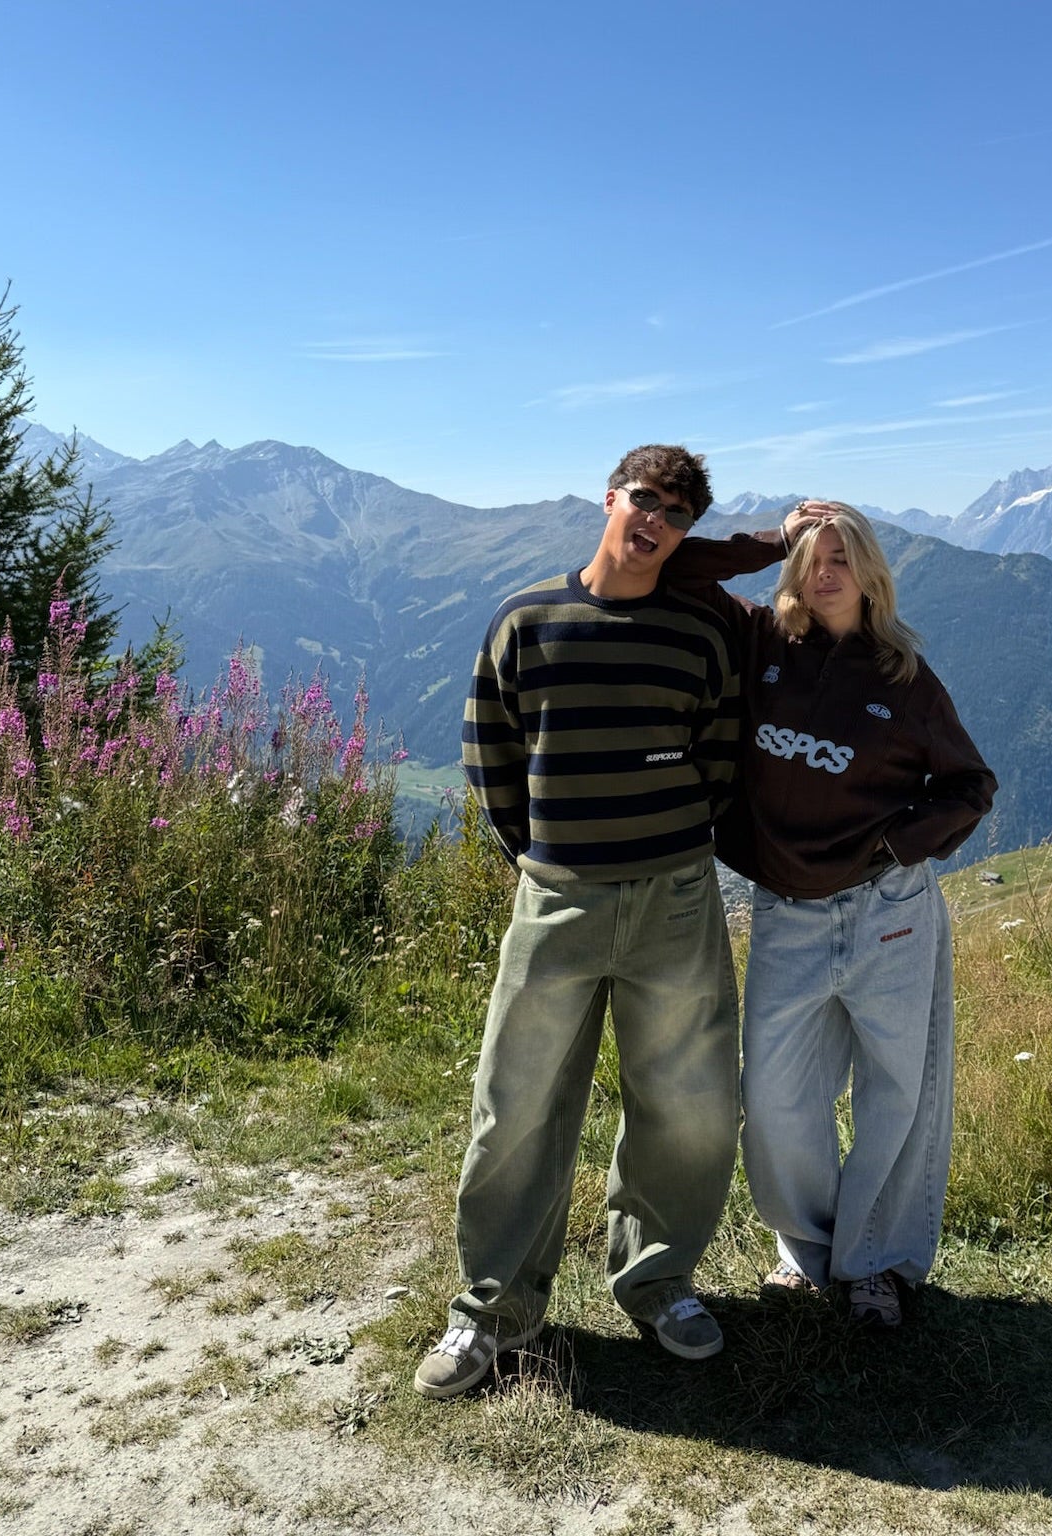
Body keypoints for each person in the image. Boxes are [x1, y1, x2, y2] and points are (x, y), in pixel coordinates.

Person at [414, 445, 744, 1400]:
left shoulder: (701, 633)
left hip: (675, 895)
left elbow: (719, 755)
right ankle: (494, 1308)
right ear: (610, 498)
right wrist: (540, 853)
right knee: (515, 1103)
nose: (656, 522)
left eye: (676, 515)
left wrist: (672, 840)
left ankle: (659, 1282)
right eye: (646, 500)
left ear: (685, 532)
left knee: (687, 1102)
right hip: (559, 894)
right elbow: (490, 749)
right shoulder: (527, 620)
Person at [666, 503, 996, 1327]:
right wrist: (769, 537)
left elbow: (969, 786)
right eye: (812, 556)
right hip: (788, 912)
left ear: (871, 572)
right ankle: (809, 1252)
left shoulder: (904, 678)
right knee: (777, 1097)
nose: (826, 571)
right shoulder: (762, 642)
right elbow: (675, 570)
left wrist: (893, 846)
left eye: (843, 556)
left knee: (897, 1092)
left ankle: (873, 1263)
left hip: (888, 912)